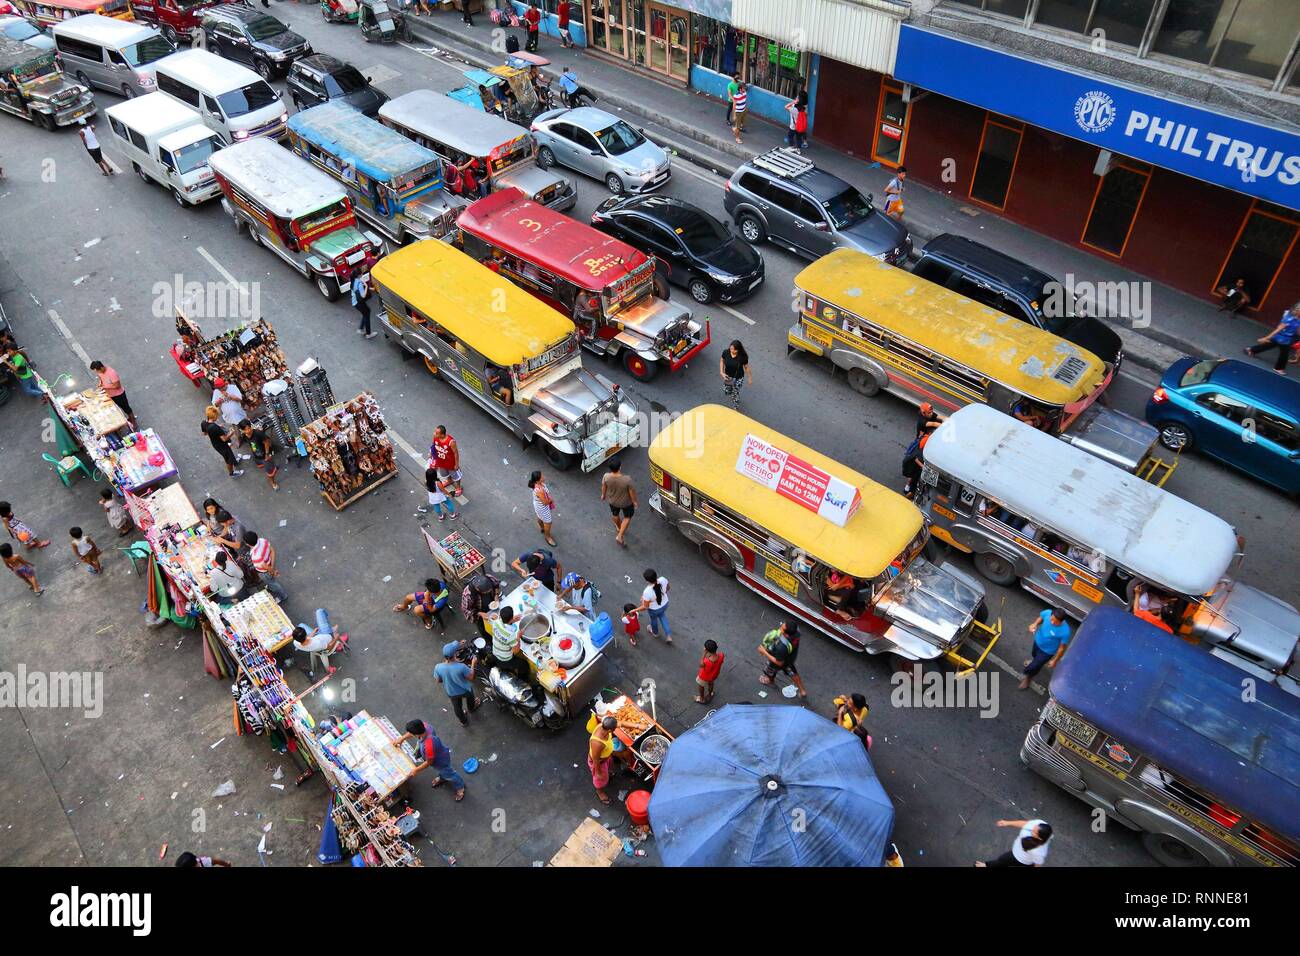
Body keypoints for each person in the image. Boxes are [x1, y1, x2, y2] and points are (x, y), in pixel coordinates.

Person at [398, 719, 465, 801]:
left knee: (450, 774)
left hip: (440, 761)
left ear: (416, 734)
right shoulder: (424, 726)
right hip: (437, 754)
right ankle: (442, 778)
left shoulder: (428, 745)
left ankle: (460, 787)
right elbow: (411, 733)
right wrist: (402, 738)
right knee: (443, 772)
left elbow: (429, 762)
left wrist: (416, 770)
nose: (409, 734)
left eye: (411, 734)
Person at [1020, 608, 1072, 690]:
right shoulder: (1047, 613)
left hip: (1047, 652)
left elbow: (1062, 648)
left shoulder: (1065, 631)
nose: (1052, 622)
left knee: (1035, 666)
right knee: (1034, 655)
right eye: (1051, 619)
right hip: (1037, 642)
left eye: (1055, 622)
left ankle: (1028, 677)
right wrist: (1035, 624)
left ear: (1061, 621)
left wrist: (1055, 660)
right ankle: (1034, 662)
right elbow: (1041, 617)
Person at [1243, 303, 1300, 374]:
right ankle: (1278, 368)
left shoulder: (1298, 319)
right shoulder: (1288, 319)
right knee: (1284, 354)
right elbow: (1278, 329)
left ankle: (1251, 349)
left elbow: (1297, 330)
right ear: (1297, 310)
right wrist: (1266, 338)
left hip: (1285, 339)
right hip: (1282, 338)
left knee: (1269, 345)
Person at [479, 604, 529, 679]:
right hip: (505, 659)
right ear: (511, 618)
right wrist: (518, 636)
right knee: (524, 665)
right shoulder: (511, 635)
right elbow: (516, 651)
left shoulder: (496, 622)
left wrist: (512, 621)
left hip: (495, 652)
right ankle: (521, 680)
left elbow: (488, 618)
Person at [434, 640, 479, 726]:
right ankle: (472, 708)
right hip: (465, 690)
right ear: (455, 654)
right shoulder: (461, 667)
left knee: (457, 707)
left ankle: (463, 721)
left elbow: (438, 680)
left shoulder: (438, 667)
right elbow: (471, 677)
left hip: (451, 692)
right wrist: (473, 664)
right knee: (470, 697)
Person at [975, 819, 1053, 867]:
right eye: (1034, 827)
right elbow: (1026, 824)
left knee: (1002, 860)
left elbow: (1038, 864)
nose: (1031, 829)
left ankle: (985, 865)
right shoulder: (1039, 823)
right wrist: (1008, 823)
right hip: (1019, 852)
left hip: (1019, 858)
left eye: (1034, 832)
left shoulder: (1039, 852)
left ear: (1039, 838)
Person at [759, 620, 807, 697]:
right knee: (793, 673)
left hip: (778, 660)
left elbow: (779, 662)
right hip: (790, 659)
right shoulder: (796, 631)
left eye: (782, 628)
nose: (780, 628)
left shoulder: (782, 647)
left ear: (787, 635)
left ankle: (770, 681)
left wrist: (764, 652)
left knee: (769, 671)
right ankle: (802, 691)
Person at [292, 610, 344, 677]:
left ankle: (330, 629)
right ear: (305, 636)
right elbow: (329, 647)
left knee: (301, 625)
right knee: (320, 611)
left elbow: (308, 639)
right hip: (327, 635)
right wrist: (336, 638)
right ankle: (331, 630)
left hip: (316, 637)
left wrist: (313, 632)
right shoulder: (318, 643)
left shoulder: (296, 643)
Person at [242, 530, 288, 603]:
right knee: (271, 582)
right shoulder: (262, 540)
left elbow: (265, 566)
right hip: (269, 564)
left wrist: (272, 571)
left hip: (264, 572)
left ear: (247, 544)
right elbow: (272, 551)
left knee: (273, 584)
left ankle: (283, 596)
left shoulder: (255, 555)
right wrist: (272, 566)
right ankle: (271, 587)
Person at [600, 457, 637, 547]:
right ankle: (620, 536)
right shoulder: (627, 480)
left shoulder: (606, 476)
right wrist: (635, 502)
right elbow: (632, 492)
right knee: (627, 517)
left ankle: (618, 527)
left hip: (612, 501)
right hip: (626, 503)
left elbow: (604, 486)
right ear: (620, 467)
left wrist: (603, 495)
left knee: (615, 515)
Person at [89, 360, 135, 425]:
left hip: (119, 395)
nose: (97, 372)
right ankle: (130, 418)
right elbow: (101, 378)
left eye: (97, 370)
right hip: (110, 395)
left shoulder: (112, 373)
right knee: (118, 407)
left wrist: (104, 387)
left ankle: (133, 421)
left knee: (126, 408)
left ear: (101, 368)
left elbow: (117, 386)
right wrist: (100, 383)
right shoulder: (100, 372)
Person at [237, 420, 279, 490]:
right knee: (269, 466)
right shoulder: (244, 436)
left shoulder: (258, 433)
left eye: (249, 428)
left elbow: (267, 442)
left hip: (265, 456)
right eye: (245, 429)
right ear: (241, 430)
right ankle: (273, 466)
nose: (248, 431)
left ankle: (273, 482)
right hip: (257, 456)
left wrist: (267, 454)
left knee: (270, 472)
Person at [633, 568, 671, 643]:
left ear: (647, 581)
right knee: (662, 616)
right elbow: (668, 588)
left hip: (654, 610)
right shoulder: (663, 579)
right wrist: (662, 594)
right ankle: (668, 635)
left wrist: (635, 610)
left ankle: (655, 633)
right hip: (665, 604)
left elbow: (645, 606)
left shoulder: (647, 591)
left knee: (654, 620)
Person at [588, 714, 618, 805]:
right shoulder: (597, 743)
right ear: (609, 730)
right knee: (600, 780)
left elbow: (620, 724)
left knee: (610, 766)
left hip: (606, 758)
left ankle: (607, 774)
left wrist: (637, 726)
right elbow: (595, 759)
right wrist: (598, 773)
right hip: (599, 763)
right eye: (614, 729)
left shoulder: (604, 726)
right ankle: (599, 792)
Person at [428, 425, 464, 497]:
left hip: (451, 464)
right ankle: (449, 481)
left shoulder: (451, 442)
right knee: (444, 474)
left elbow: (456, 453)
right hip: (441, 462)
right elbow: (433, 446)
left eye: (436, 433)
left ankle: (458, 487)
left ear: (442, 434)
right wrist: (431, 453)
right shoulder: (435, 438)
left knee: (456, 476)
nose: (434, 434)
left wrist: (456, 464)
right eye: (435, 432)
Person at [211, 378, 247, 446]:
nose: (222, 389)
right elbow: (215, 405)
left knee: (244, 425)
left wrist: (228, 395)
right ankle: (239, 439)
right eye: (220, 389)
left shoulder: (232, 387)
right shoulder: (216, 392)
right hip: (229, 415)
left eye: (223, 387)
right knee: (235, 428)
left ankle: (248, 437)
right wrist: (218, 402)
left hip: (238, 413)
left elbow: (239, 398)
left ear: (225, 384)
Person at [527, 470, 557, 546]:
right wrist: (551, 500)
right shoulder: (539, 490)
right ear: (538, 480)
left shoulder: (537, 484)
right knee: (548, 522)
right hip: (542, 508)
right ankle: (548, 537)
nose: (544, 477)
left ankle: (542, 528)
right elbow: (545, 502)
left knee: (539, 517)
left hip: (538, 505)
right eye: (542, 476)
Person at [720, 340, 751, 408]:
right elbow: (722, 360)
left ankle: (735, 406)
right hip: (728, 376)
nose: (731, 350)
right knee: (726, 391)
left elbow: (747, 368)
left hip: (738, 378)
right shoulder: (726, 352)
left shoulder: (743, 357)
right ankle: (731, 391)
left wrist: (749, 378)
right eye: (730, 348)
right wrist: (721, 372)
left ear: (738, 350)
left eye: (733, 349)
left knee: (735, 393)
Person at [901, 431, 930, 498]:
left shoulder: (924, 438)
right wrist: (923, 467)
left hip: (915, 465)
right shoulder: (926, 444)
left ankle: (907, 488)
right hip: (917, 467)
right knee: (913, 486)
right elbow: (917, 459)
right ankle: (907, 497)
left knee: (912, 479)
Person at [696, 639, 724, 703]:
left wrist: (704, 654)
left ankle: (702, 698)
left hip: (704, 677)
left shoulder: (706, 661)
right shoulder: (721, 655)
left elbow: (701, 665)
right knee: (711, 684)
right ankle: (710, 694)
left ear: (707, 650)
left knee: (701, 686)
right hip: (714, 675)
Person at [352, 268, 376, 339]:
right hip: (359, 303)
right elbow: (363, 295)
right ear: (359, 275)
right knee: (367, 313)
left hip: (355, 302)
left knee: (365, 313)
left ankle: (360, 329)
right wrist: (366, 286)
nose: (362, 274)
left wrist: (370, 288)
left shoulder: (354, 281)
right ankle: (368, 334)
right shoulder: (359, 283)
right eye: (361, 273)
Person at [731, 80, 748, 145]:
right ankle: (737, 138)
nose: (745, 89)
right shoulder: (736, 96)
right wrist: (734, 115)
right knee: (738, 127)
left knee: (742, 125)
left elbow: (744, 101)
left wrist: (745, 108)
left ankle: (735, 128)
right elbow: (734, 106)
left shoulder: (745, 93)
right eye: (744, 88)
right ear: (740, 88)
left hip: (743, 111)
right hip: (738, 113)